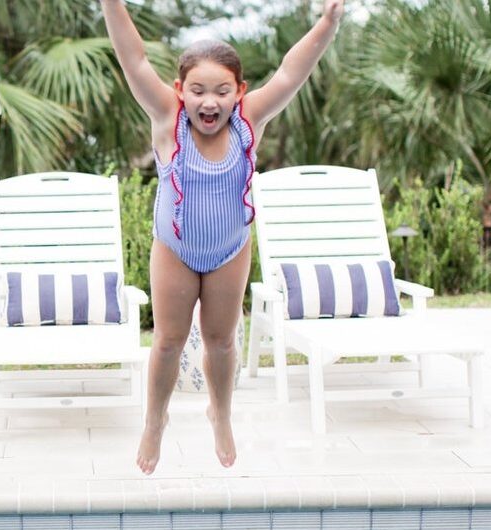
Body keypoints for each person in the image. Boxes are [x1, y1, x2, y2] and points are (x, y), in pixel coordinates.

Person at [100, 0, 344, 473]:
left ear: (239, 92)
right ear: (180, 91)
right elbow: (134, 59)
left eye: (221, 91)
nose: (208, 102)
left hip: (231, 248)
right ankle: (155, 420)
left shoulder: (248, 120)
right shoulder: (167, 119)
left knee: (222, 342)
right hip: (175, 247)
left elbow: (292, 73)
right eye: (197, 90)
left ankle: (221, 413)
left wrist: (328, 23)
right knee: (168, 341)